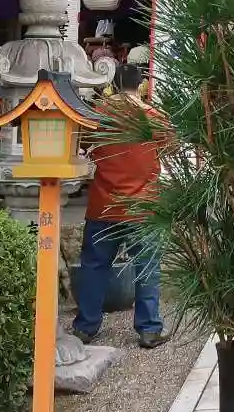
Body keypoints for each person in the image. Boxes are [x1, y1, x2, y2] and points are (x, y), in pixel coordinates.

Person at [71, 117, 166, 348]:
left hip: (104, 205)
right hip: (142, 206)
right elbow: (168, 144)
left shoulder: (97, 117)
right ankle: (149, 329)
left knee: (94, 267)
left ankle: (85, 326)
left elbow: (80, 141)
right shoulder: (152, 116)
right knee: (147, 268)